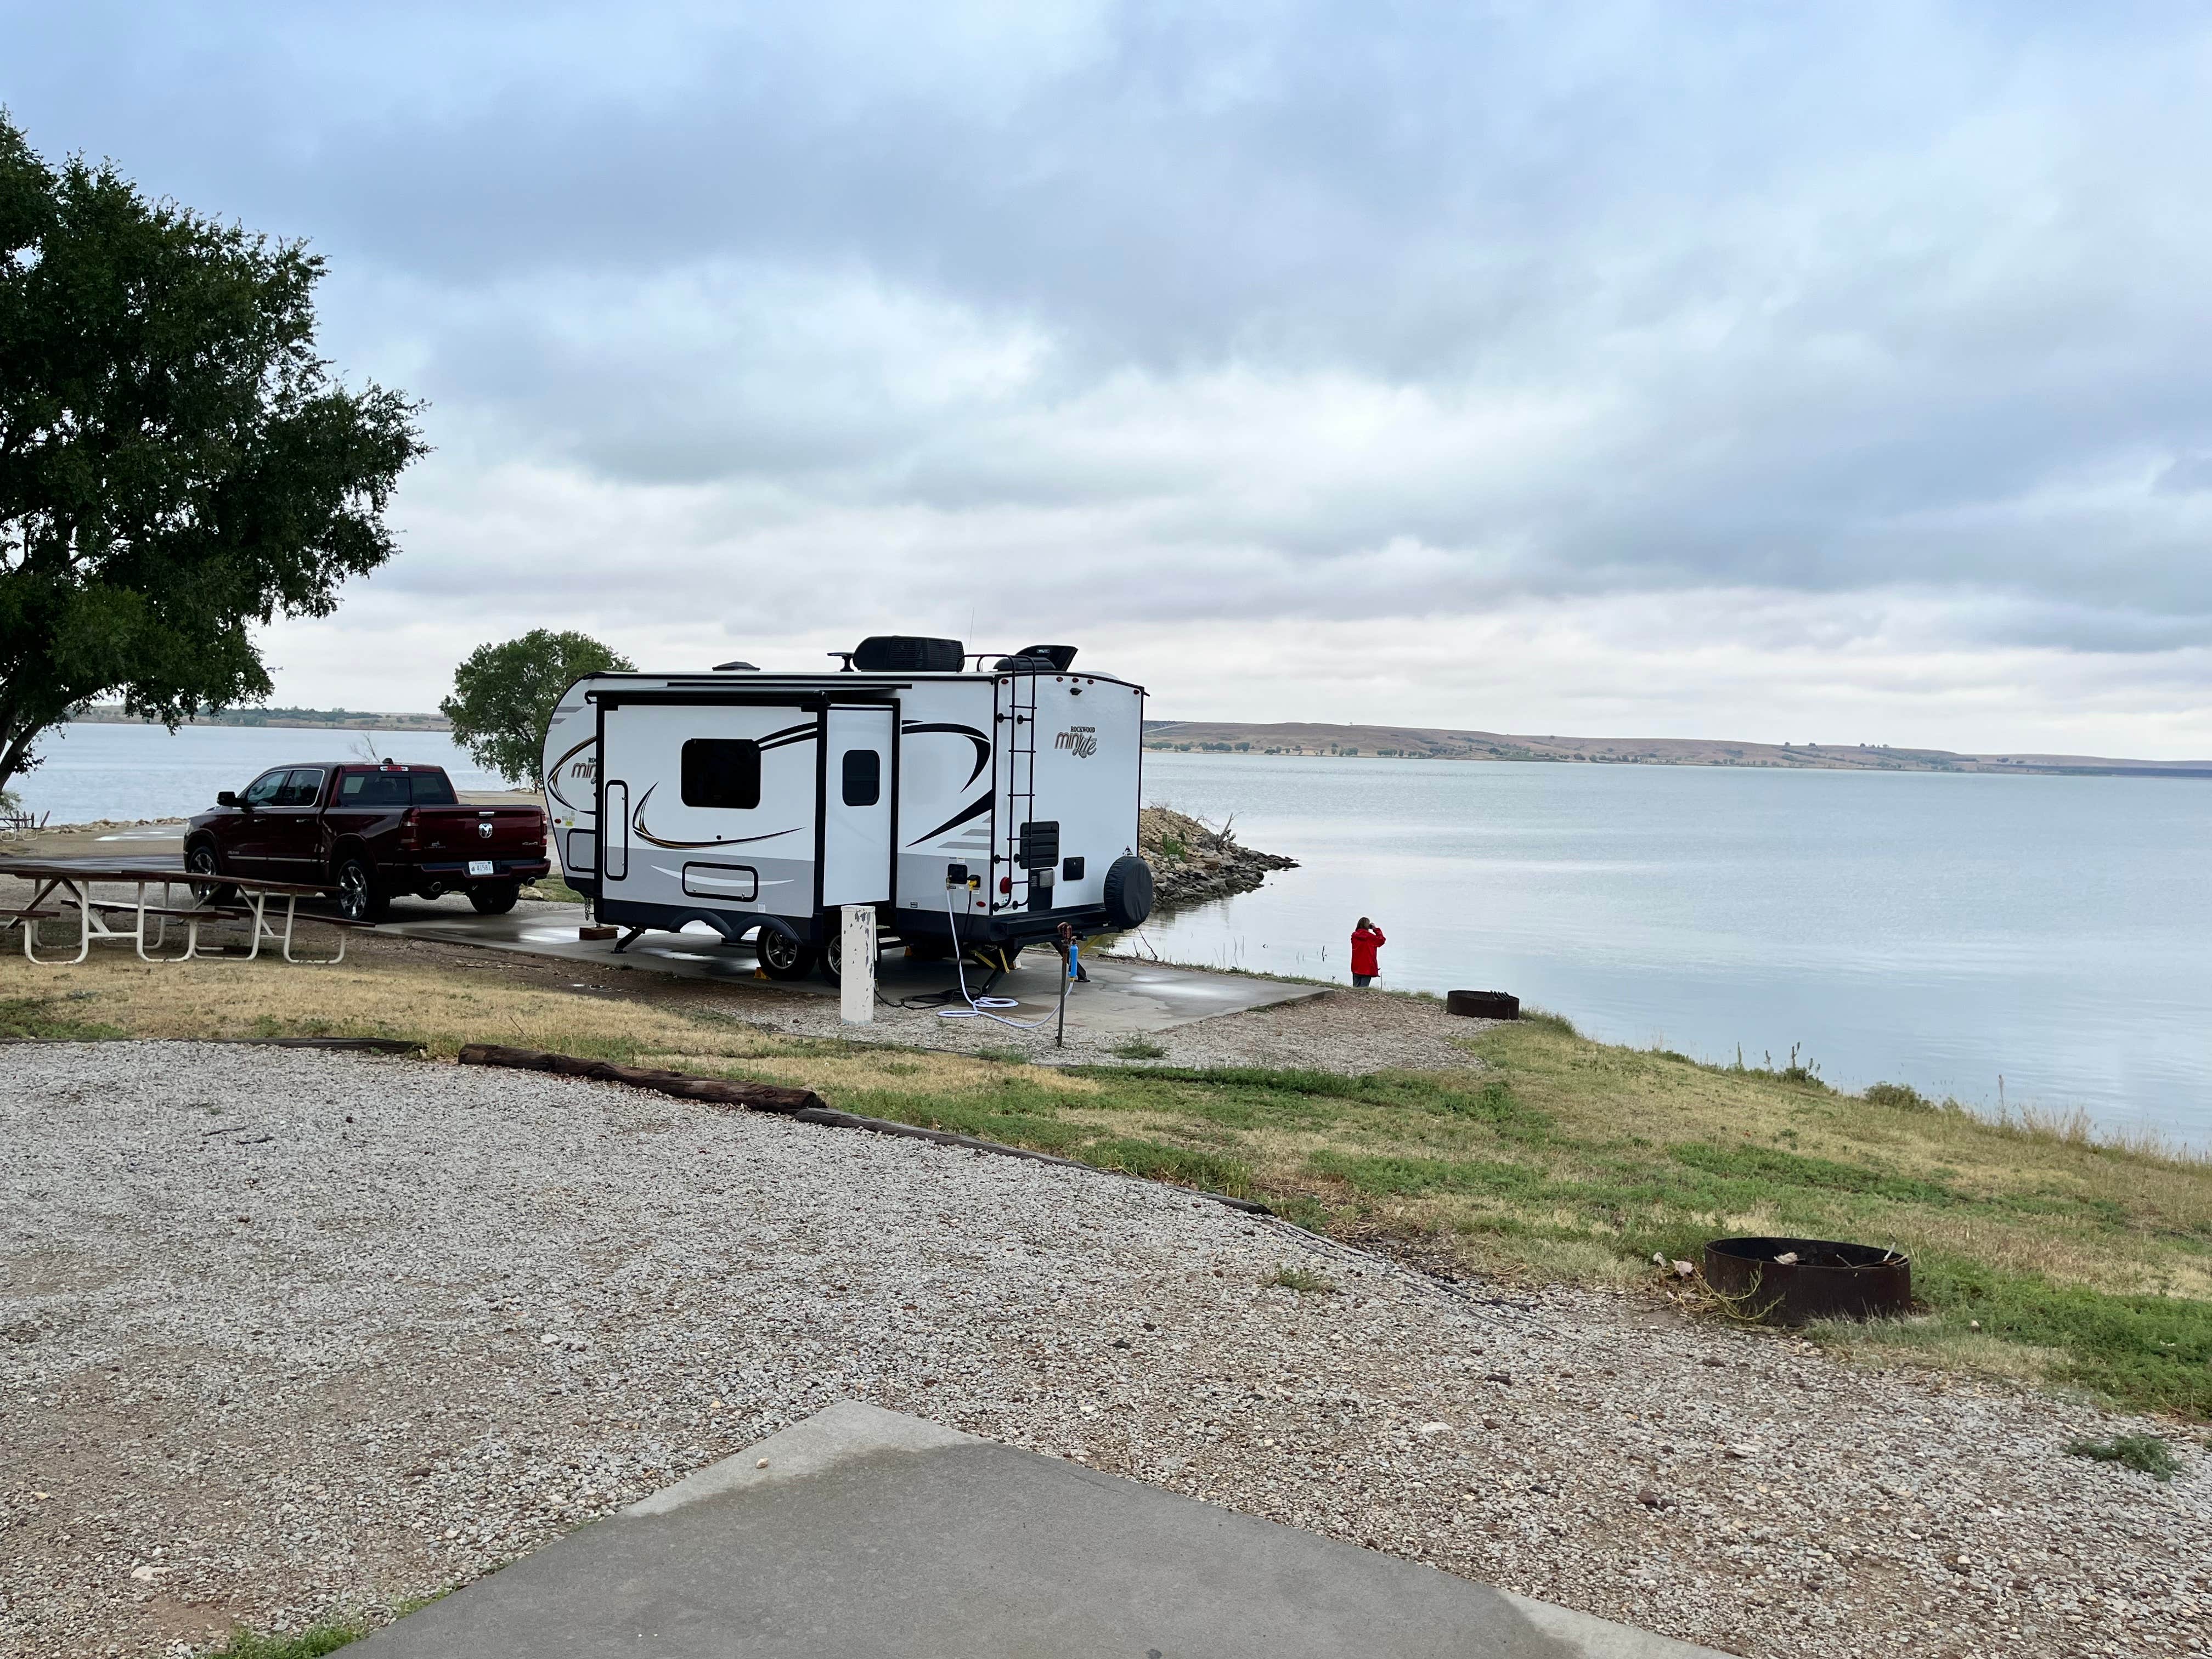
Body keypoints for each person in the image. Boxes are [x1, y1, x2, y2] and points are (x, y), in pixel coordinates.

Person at [1350, 917, 1385, 988]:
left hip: (1356, 966)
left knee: (1355, 988)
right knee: (1363, 989)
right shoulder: (1371, 938)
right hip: (1367, 967)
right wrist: (1375, 929)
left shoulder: (1354, 936)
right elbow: (1381, 940)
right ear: (1368, 926)